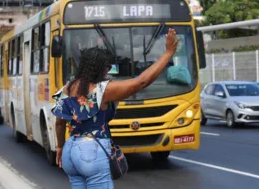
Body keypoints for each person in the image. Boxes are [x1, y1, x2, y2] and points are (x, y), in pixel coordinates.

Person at [51, 29, 179, 189]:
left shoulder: (67, 88)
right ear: (99, 68)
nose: (108, 70)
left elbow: (59, 124)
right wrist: (168, 53)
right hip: (91, 152)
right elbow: (141, 82)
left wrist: (60, 147)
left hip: (70, 152)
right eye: (107, 67)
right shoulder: (101, 90)